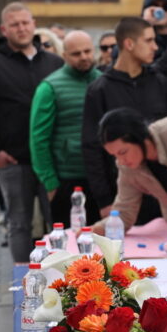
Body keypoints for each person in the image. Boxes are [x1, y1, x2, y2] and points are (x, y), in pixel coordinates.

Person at [0, 2, 63, 262]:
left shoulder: (54, 63)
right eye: (15, 24)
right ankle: (23, 289)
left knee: (59, 225)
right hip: (13, 162)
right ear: (4, 29)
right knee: (19, 225)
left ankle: (63, 288)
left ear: (34, 24)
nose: (22, 28)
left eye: (26, 22)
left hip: (51, 161)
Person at [82, 17, 167, 225]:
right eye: (149, 40)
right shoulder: (99, 90)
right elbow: (92, 148)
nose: (155, 46)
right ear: (129, 44)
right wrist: (105, 200)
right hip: (123, 198)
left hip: (166, 195)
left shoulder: (160, 82)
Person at [90, 108, 167, 235]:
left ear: (139, 138)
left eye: (123, 152)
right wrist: (96, 230)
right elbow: (125, 211)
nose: (121, 161)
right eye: (114, 155)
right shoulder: (128, 168)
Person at [30, 31, 102, 227]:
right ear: (65, 56)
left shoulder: (104, 81)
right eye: (76, 54)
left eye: (87, 51)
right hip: (67, 179)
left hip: (102, 179)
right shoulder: (49, 88)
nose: (84, 57)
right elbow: (38, 139)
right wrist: (50, 183)